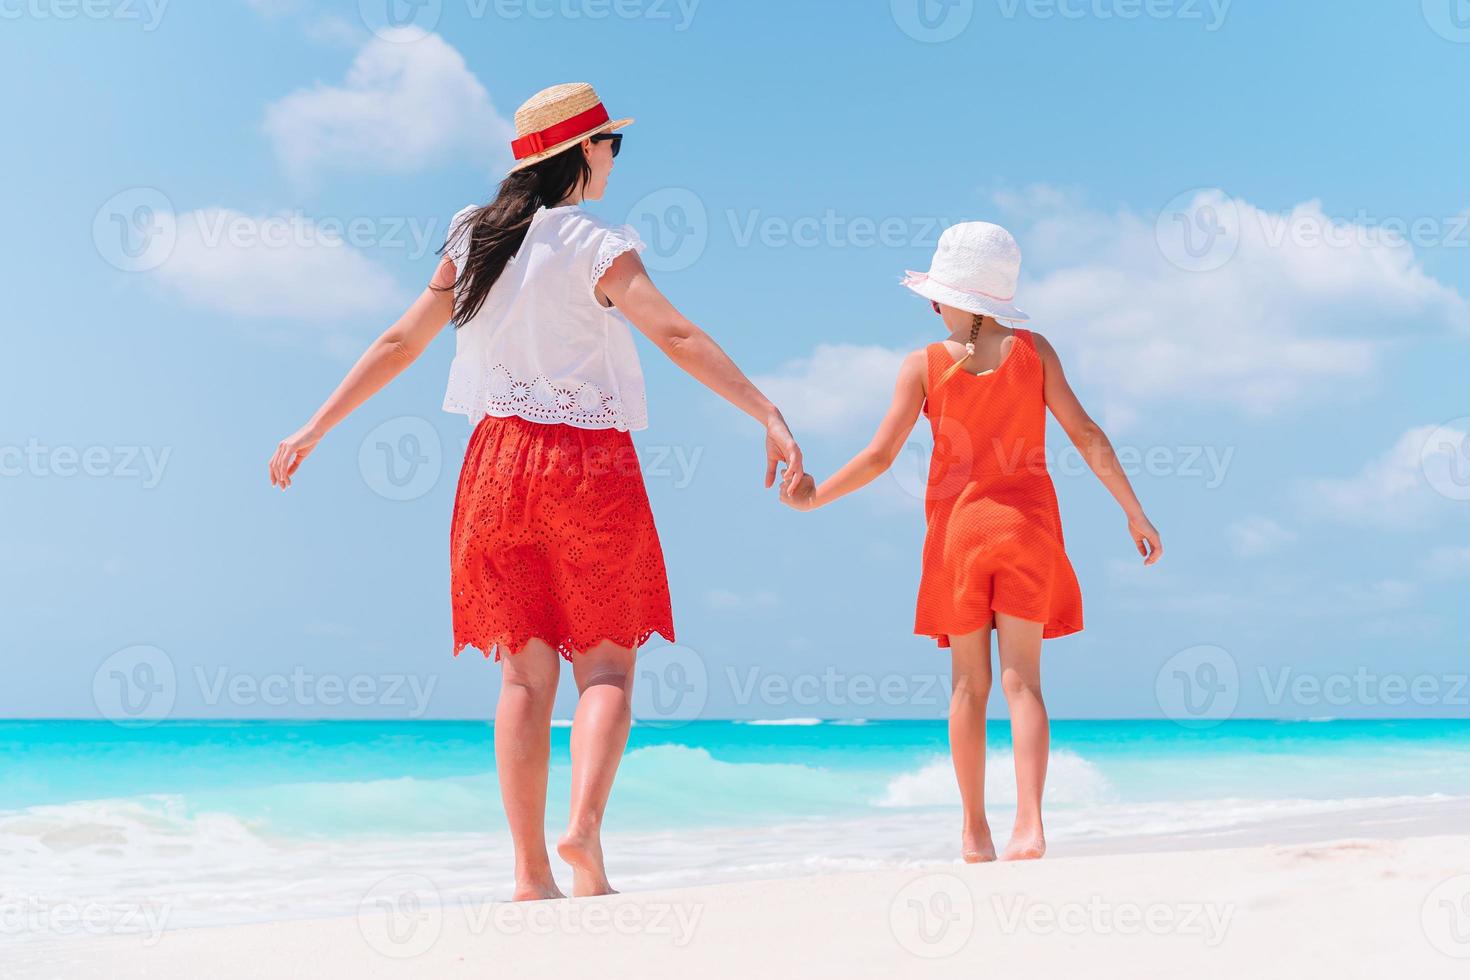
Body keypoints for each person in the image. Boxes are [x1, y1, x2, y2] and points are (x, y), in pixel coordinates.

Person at [269, 82, 805, 898]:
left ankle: (529, 875)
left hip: (495, 464)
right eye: (612, 145)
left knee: (522, 678)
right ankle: (583, 833)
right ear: (584, 152)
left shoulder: (472, 234)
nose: (616, 158)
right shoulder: (598, 242)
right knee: (608, 672)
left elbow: (399, 339)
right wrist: (765, 410)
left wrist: (313, 427)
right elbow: (674, 333)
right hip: (587, 466)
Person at [781, 221, 1160, 862]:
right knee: (1025, 686)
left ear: (949, 299)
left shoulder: (923, 366)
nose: (931, 305)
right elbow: (1086, 433)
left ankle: (974, 831)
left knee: (967, 687)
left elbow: (878, 457)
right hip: (1029, 528)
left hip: (960, 534)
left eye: (935, 294)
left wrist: (815, 496)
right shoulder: (1035, 352)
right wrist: (1134, 510)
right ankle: (1031, 826)